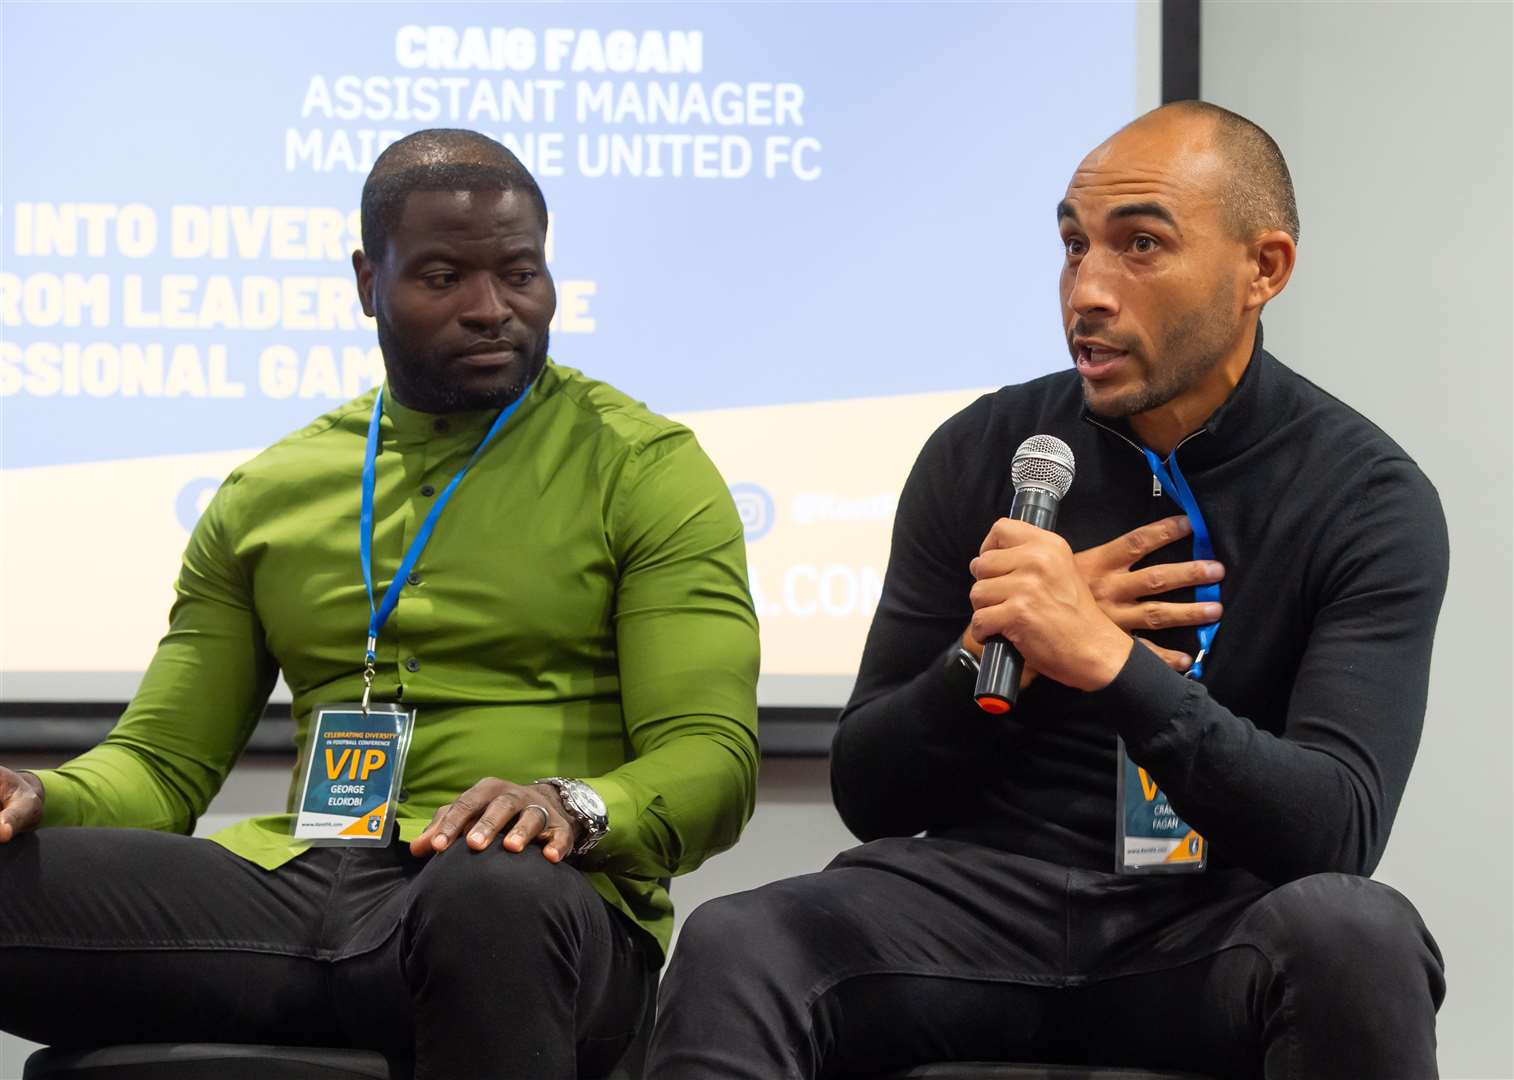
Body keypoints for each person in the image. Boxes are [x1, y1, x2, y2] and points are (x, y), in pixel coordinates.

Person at [647, 101, 1448, 1079]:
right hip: (978, 904)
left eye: (1139, 245)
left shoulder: (1361, 494)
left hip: (1204, 926)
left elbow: (1332, 829)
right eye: (1072, 247)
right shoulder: (990, 451)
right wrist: (1001, 654)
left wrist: (1109, 662)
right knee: (741, 941)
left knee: (1355, 933)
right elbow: (870, 791)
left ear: (1261, 270)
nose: (1089, 291)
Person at [0, 129, 760, 1080]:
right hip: (302, 890)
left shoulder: (644, 469)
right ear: (370, 283)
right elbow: (160, 766)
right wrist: (41, 796)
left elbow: (712, 758)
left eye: (521, 274)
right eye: (443, 277)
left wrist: (572, 806)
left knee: (492, 895)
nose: (492, 309)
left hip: (537, 911)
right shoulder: (272, 493)